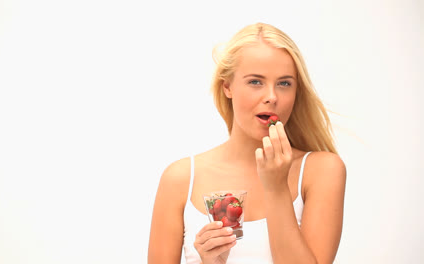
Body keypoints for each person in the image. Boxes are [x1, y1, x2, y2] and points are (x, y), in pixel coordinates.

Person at [148, 22, 346, 264]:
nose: (272, 96)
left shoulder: (322, 170)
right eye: (255, 82)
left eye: (284, 83)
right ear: (228, 86)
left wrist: (276, 188)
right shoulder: (180, 179)